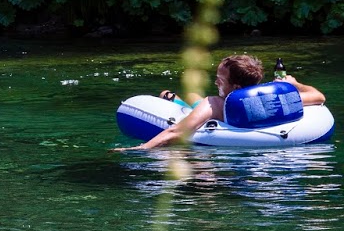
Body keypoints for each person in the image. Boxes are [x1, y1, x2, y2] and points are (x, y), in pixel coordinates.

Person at [116, 53, 326, 151]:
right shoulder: (273, 98)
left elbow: (177, 132)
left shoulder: (215, 103)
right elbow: (319, 97)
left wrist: (141, 149)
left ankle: (171, 98)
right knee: (193, 97)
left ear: (235, 87)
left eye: (219, 79)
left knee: (185, 98)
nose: (215, 82)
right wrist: (296, 84)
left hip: (205, 112)